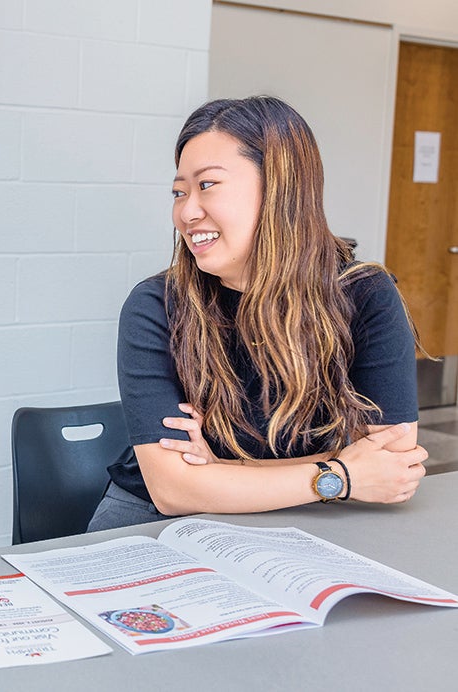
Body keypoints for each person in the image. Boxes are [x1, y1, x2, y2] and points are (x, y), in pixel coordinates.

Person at [88, 96, 428, 531]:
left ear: (280, 189)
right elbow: (172, 491)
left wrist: (222, 474)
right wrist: (340, 475)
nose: (186, 211)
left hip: (305, 517)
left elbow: (392, 463)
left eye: (207, 185)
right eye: (179, 191)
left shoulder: (365, 294)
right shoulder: (156, 305)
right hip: (148, 518)